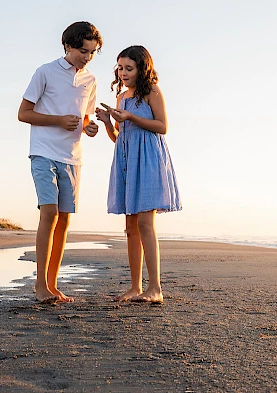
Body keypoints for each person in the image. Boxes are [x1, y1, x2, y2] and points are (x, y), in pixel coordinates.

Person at [17, 21, 103, 304]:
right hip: (43, 151)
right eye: (82, 50)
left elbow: (85, 117)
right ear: (67, 45)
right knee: (50, 213)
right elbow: (23, 113)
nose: (86, 57)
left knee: (64, 220)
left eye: (91, 52)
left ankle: (52, 286)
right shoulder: (45, 72)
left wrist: (89, 127)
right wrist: (58, 121)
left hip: (73, 156)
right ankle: (40, 285)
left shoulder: (90, 80)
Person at [95, 45, 181, 303]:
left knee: (145, 223)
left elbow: (162, 126)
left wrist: (131, 116)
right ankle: (135, 287)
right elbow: (120, 138)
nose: (123, 73)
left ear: (142, 68)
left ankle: (155, 288)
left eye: (129, 68)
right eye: (120, 68)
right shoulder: (121, 97)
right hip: (127, 161)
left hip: (150, 160)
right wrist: (109, 122)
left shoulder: (152, 91)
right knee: (130, 227)